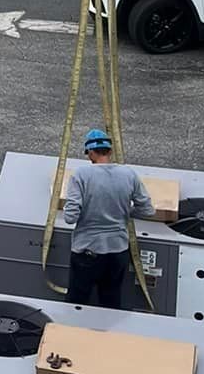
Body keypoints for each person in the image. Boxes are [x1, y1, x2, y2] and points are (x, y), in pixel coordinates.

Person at [61, 130, 154, 308]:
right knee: (111, 302)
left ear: (90, 153)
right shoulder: (129, 174)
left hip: (88, 251)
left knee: (76, 304)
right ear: (110, 151)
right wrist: (124, 211)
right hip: (118, 251)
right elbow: (148, 210)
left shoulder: (81, 175)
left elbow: (70, 218)